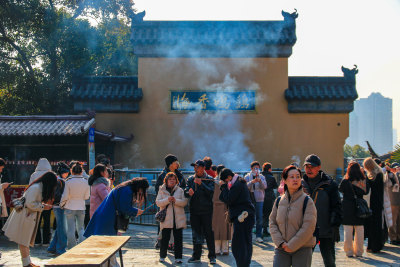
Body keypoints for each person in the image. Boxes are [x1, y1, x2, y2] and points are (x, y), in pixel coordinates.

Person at [2, 171, 57, 267]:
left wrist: (43, 206)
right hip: (26, 215)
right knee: (24, 240)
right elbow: (30, 204)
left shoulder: (37, 186)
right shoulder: (37, 188)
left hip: (26, 215)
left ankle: (27, 262)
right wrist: (43, 207)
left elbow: (31, 202)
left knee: (24, 240)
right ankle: (26, 263)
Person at [269, 165, 317, 267]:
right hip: (282, 249)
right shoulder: (279, 201)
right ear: (285, 180)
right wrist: (281, 243)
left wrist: (292, 245)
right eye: (292, 177)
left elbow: (309, 227)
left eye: (298, 176)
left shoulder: (307, 201)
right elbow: (272, 222)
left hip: (302, 248)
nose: (295, 179)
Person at [302, 154, 342, 267]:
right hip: (305, 230)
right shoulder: (300, 184)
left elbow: (337, 206)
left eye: (312, 167)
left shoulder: (329, 184)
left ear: (319, 167)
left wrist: (335, 226)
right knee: (303, 262)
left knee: (329, 261)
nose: (309, 169)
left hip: (325, 229)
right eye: (307, 166)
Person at [219, 168, 255, 267]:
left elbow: (228, 199)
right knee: (246, 242)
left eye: (225, 180)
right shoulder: (239, 181)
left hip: (242, 216)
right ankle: (244, 264)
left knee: (238, 244)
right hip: (246, 215)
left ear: (229, 177)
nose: (226, 182)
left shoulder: (237, 185)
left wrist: (223, 187)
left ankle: (242, 264)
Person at [184, 159, 216, 264]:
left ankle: (212, 256)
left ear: (203, 168)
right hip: (194, 210)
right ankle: (196, 255)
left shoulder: (210, 179)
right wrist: (188, 192)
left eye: (198, 167)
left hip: (207, 210)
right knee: (196, 233)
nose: (196, 169)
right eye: (195, 167)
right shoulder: (190, 178)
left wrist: (201, 184)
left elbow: (211, 192)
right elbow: (186, 191)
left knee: (209, 233)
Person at [154, 154, 186, 249]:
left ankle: (173, 243)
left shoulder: (179, 175)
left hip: (177, 203)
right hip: (166, 203)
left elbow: (183, 186)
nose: (177, 164)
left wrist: (180, 195)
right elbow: (158, 189)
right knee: (164, 222)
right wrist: (166, 198)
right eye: (175, 162)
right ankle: (161, 241)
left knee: (176, 223)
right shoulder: (163, 175)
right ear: (170, 164)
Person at [339, 161, 369, 257]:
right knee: (359, 229)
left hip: (347, 206)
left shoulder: (346, 180)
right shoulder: (363, 180)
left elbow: (340, 189)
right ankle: (359, 251)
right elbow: (366, 192)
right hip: (359, 206)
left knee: (348, 229)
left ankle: (349, 251)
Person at [156, 172, 188, 263]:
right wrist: (167, 200)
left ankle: (178, 258)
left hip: (178, 218)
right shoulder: (161, 190)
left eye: (174, 179)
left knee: (178, 239)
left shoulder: (180, 190)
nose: (172, 181)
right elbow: (158, 202)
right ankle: (162, 256)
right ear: (166, 180)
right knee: (165, 238)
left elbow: (184, 202)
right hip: (167, 218)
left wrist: (175, 200)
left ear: (176, 181)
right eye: (170, 179)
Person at [60, 162, 90, 249]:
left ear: (71, 171)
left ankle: (71, 247)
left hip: (70, 206)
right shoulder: (86, 181)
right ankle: (81, 245)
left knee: (70, 229)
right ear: (81, 171)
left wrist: (62, 204)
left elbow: (65, 196)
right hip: (81, 206)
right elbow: (87, 196)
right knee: (81, 228)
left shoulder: (68, 182)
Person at [363, 157, 388, 253]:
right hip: (377, 202)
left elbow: (372, 186)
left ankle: (374, 246)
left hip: (375, 202)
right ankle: (373, 245)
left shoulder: (377, 175)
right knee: (375, 225)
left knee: (374, 225)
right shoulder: (379, 173)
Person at [47, 162, 70, 256]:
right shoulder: (61, 181)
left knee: (60, 228)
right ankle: (61, 249)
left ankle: (52, 247)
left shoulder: (58, 180)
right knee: (62, 229)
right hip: (60, 206)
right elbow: (58, 196)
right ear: (62, 172)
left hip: (57, 206)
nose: (67, 174)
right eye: (66, 172)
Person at [29, 158, 52, 246]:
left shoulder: (34, 175)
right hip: (48, 201)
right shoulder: (50, 174)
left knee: (36, 221)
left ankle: (37, 240)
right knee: (46, 221)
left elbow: (30, 187)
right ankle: (46, 241)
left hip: (36, 201)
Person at [244, 161, 267, 243]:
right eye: (255, 168)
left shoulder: (262, 177)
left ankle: (258, 235)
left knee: (259, 217)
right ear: (251, 169)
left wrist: (260, 181)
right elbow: (244, 187)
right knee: (249, 217)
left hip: (259, 199)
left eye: (257, 168)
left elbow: (264, 187)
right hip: (250, 199)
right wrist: (252, 182)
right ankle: (248, 235)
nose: (256, 170)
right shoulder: (247, 176)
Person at [212, 164, 232, 255]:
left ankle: (216, 249)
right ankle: (225, 249)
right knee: (225, 228)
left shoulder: (212, 181)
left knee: (216, 228)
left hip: (215, 207)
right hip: (225, 206)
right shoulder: (228, 183)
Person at [261, 162, 278, 237]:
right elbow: (275, 186)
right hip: (268, 197)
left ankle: (259, 230)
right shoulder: (271, 177)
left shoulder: (260, 176)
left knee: (260, 213)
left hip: (260, 196)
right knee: (267, 214)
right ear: (269, 169)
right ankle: (265, 229)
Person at [389, 163, 400, 244]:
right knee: (393, 220)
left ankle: (398, 237)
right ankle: (393, 238)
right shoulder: (390, 176)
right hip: (393, 201)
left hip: (396, 201)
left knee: (398, 220)